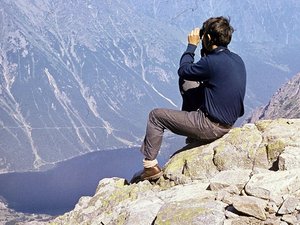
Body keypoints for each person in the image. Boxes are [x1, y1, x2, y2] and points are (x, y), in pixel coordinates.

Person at [131, 16, 246, 183]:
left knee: (155, 116)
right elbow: (195, 74)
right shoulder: (236, 59)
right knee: (188, 82)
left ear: (206, 37)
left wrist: (192, 45)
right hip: (227, 121)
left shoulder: (212, 62)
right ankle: (194, 134)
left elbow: (184, 69)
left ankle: (149, 166)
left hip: (211, 125)